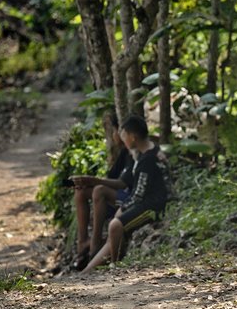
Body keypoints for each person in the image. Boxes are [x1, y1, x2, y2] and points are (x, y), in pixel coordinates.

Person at [80, 115, 172, 275]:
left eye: (125, 137)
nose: (123, 142)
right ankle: (89, 270)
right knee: (115, 224)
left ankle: (115, 266)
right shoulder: (150, 152)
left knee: (115, 225)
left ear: (133, 137)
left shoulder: (147, 161)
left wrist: (123, 208)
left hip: (154, 206)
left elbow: (139, 195)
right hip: (147, 200)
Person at [70, 111, 132, 270]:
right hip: (119, 195)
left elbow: (122, 184)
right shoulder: (124, 153)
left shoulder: (133, 153)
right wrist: (86, 182)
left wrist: (93, 180)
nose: (113, 135)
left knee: (99, 190)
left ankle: (95, 244)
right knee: (81, 191)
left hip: (129, 198)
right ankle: (82, 242)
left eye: (114, 130)